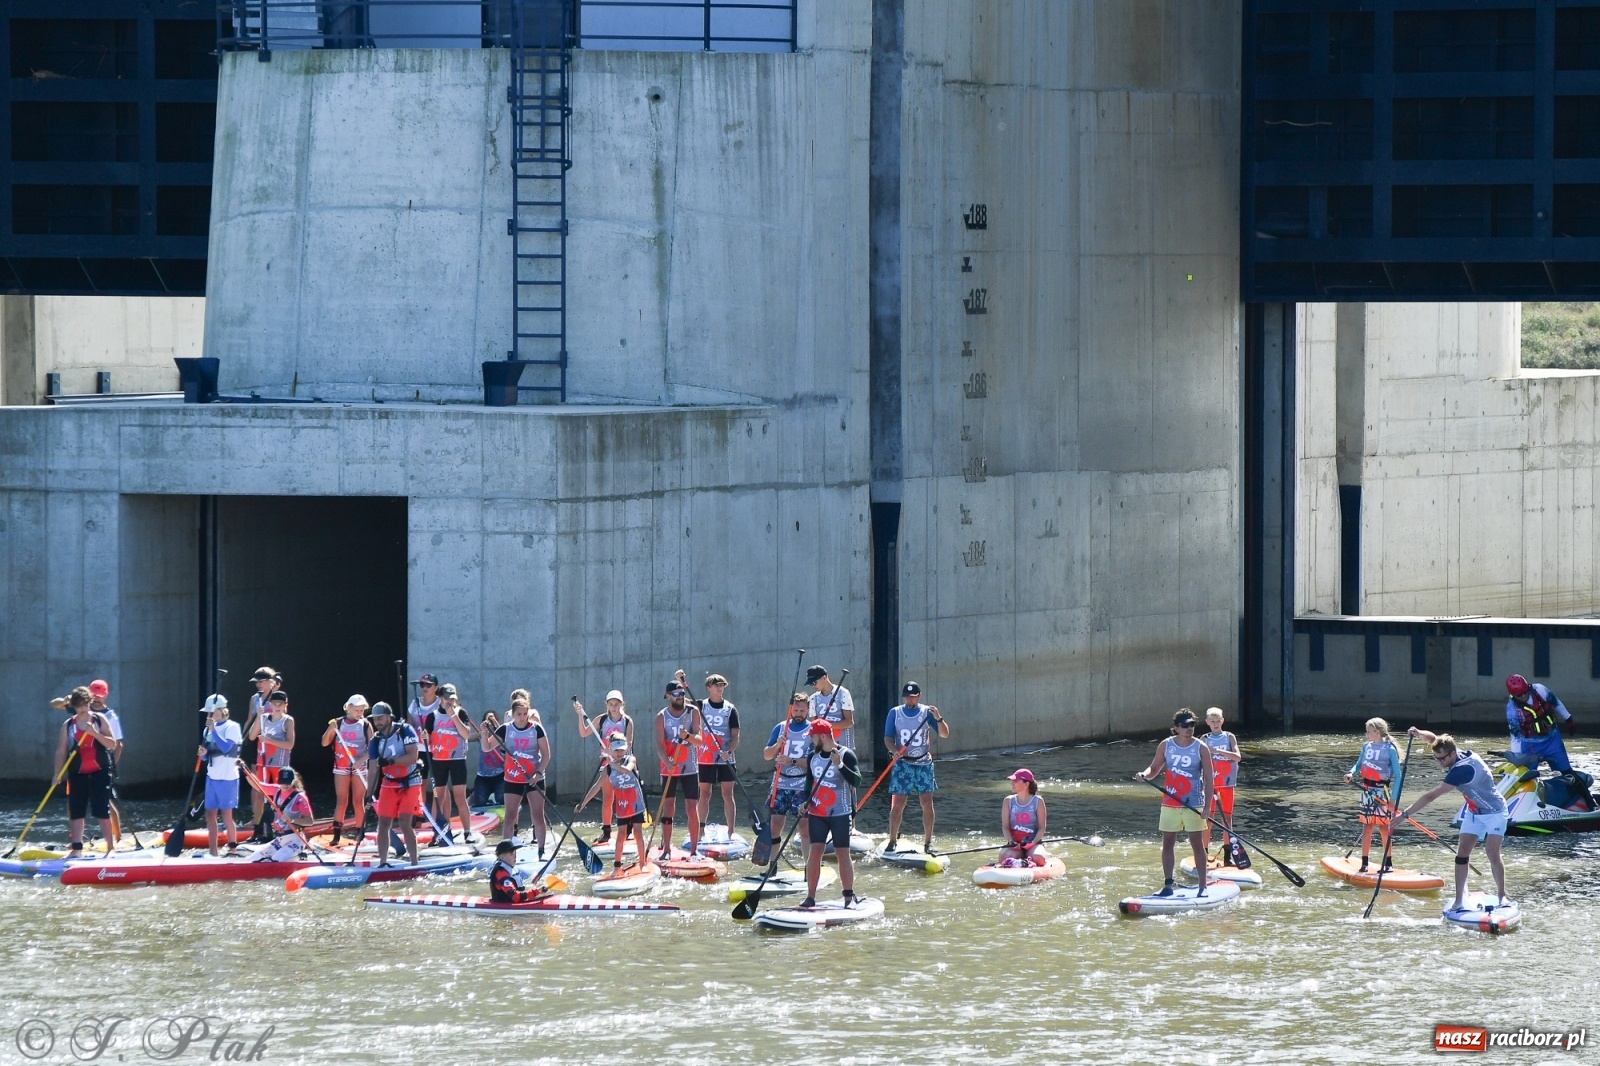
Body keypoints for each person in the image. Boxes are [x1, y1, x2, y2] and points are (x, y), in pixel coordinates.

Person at [1397, 729, 1511, 911]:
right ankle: (1459, 900)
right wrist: (1419, 734)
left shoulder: (1461, 770)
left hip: (1495, 812)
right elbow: (1434, 739)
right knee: (1462, 855)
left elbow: (1431, 796)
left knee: (1492, 853)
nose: (1440, 762)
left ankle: (1502, 895)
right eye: (1436, 759)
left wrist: (1404, 815)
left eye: (1442, 759)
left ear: (1452, 754)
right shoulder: (1454, 752)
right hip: (1474, 812)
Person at [1133, 708, 1214, 896]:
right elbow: (1153, 769)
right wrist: (1143, 775)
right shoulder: (1166, 745)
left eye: (1192, 725)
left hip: (1193, 803)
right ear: (1176, 728)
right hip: (1170, 802)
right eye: (1185, 725)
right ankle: (1168, 884)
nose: (1190, 728)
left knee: (1197, 845)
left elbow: (1210, 779)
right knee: (1168, 843)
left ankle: (1203, 886)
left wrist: (1207, 806)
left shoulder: (1201, 747)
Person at [801, 719, 862, 908]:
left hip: (840, 813)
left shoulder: (846, 754)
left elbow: (857, 781)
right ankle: (810, 897)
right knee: (815, 852)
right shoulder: (812, 757)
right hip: (817, 812)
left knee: (842, 853)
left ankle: (848, 896)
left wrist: (840, 765)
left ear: (823, 736)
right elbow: (808, 783)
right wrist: (804, 802)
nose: (810, 739)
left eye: (812, 736)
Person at [884, 682, 949, 854]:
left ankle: (928, 843)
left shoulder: (927, 713)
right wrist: (894, 751)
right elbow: (888, 738)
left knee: (927, 804)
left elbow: (944, 734)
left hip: (923, 764)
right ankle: (892, 841)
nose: (909, 700)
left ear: (919, 696)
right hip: (903, 764)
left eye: (913, 697)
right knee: (898, 804)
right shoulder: (895, 713)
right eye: (907, 696)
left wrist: (938, 718)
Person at [52, 687, 118, 856]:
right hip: (77, 773)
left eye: (85, 704)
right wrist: (57, 774)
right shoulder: (68, 726)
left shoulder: (99, 719)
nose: (83, 708)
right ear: (73, 706)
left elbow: (112, 744)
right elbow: (61, 751)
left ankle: (110, 848)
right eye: (79, 705)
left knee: (101, 810)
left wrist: (94, 733)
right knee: (77, 810)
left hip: (100, 771)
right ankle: (77, 849)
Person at [482, 699, 551, 856]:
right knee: (510, 816)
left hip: (534, 778)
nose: (522, 717)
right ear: (512, 714)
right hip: (513, 778)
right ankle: (505, 852)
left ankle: (541, 850)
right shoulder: (505, 729)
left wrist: (538, 773)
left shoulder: (537, 729)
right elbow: (486, 747)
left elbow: (546, 755)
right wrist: (484, 732)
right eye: (519, 714)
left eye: (525, 714)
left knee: (537, 815)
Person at [1341, 717, 1404, 874]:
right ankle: (1364, 863)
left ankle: (1388, 864)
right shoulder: (1366, 746)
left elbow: (1398, 776)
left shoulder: (1389, 749)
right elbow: (1359, 763)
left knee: (1384, 828)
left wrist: (1393, 800)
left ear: (1377, 732)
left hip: (1383, 792)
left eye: (1368, 731)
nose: (1366, 733)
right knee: (1367, 827)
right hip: (1367, 791)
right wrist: (1351, 773)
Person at [579, 734, 649, 871]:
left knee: (637, 833)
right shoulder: (608, 769)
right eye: (616, 750)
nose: (619, 753)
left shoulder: (631, 759)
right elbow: (597, 787)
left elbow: (626, 770)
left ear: (626, 749)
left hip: (635, 803)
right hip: (622, 806)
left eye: (621, 750)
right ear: (610, 750)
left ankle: (642, 864)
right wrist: (583, 803)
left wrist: (610, 762)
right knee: (621, 834)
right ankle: (617, 867)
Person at [364, 701, 422, 867]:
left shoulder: (405, 730)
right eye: (375, 720)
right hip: (389, 783)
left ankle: (414, 862)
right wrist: (369, 795)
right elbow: (373, 769)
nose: (377, 723)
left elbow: (412, 756)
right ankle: (383, 862)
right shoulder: (375, 740)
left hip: (409, 781)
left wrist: (390, 761)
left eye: (380, 718)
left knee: (404, 822)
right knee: (383, 823)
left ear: (389, 717)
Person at [760, 694, 814, 865]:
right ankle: (772, 866)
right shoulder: (781, 727)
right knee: (775, 826)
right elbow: (767, 756)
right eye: (796, 710)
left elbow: (815, 762)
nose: (798, 713)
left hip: (801, 784)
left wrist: (791, 761)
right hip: (781, 782)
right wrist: (777, 745)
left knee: (804, 828)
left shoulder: (812, 730)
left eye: (802, 710)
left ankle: (808, 867)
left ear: (808, 711)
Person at [573, 690, 633, 843]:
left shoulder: (627, 721)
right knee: (608, 797)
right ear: (607, 704)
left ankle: (628, 829)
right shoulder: (602, 719)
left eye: (617, 704)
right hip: (606, 762)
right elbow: (584, 732)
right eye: (611, 704)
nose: (614, 707)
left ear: (621, 704)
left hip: (623, 761)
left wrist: (616, 752)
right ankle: (606, 831)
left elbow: (629, 744)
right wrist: (580, 715)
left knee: (625, 797)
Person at [422, 683, 477, 846]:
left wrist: (452, 715)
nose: (450, 702)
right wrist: (425, 738)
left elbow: (466, 734)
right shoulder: (432, 716)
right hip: (439, 761)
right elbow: (428, 740)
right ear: (440, 698)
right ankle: (439, 832)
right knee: (438, 798)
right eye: (447, 699)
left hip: (457, 760)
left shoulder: (460, 712)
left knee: (459, 797)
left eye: (452, 699)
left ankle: (467, 832)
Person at [655, 680, 704, 859]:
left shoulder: (692, 712)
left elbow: (699, 740)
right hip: (669, 768)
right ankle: (667, 848)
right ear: (668, 696)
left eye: (682, 693)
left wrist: (688, 736)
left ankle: (694, 850)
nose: (680, 697)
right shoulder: (662, 717)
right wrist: (666, 762)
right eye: (676, 694)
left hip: (690, 767)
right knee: (669, 808)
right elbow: (659, 746)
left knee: (692, 808)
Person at [321, 694, 373, 845]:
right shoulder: (338, 723)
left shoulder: (365, 725)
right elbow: (324, 743)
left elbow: (372, 748)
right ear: (348, 709)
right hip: (341, 766)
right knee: (342, 801)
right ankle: (336, 836)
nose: (359, 713)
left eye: (362, 710)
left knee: (358, 801)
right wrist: (331, 729)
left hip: (359, 767)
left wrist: (361, 760)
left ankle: (360, 835)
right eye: (357, 710)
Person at [197, 693, 244, 857]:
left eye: (211, 712)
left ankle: (232, 849)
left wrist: (213, 731)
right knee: (210, 813)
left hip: (228, 778)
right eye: (208, 713)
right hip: (212, 777)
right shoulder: (207, 730)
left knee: (226, 814)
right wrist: (202, 754)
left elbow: (226, 749)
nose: (209, 715)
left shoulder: (232, 727)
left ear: (221, 710)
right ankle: (213, 852)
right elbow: (206, 755)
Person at [695, 672, 741, 833]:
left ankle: (731, 830)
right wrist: (680, 681)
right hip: (705, 757)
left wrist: (729, 751)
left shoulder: (730, 709)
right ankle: (700, 829)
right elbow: (682, 701)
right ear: (709, 688)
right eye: (716, 685)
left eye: (722, 685)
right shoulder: (700, 706)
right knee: (705, 794)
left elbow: (735, 736)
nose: (720, 688)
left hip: (725, 757)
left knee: (728, 794)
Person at [1503, 674, 1575, 776]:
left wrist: (1568, 719)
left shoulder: (1540, 690)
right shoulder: (1512, 710)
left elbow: (1556, 703)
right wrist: (1517, 757)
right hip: (1529, 745)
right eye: (1519, 695)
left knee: (1567, 772)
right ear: (1513, 695)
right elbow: (1515, 736)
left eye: (1525, 692)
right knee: (1525, 776)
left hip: (1552, 739)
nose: (1523, 696)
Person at [247, 689, 295, 833]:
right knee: (260, 794)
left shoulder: (288, 720)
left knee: (279, 795)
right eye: (275, 703)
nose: (278, 706)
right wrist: (258, 717)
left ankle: (279, 826)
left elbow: (289, 744)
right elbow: (251, 736)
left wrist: (269, 740)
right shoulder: (264, 718)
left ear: (285, 705)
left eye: (281, 703)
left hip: (280, 765)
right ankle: (258, 827)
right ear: (270, 704)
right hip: (264, 763)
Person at [1201, 706, 1243, 863]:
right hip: (1211, 784)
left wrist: (1218, 751)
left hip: (1227, 783)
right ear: (1207, 722)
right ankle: (1203, 853)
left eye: (1218, 721)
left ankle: (1228, 855)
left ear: (1222, 721)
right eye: (1212, 721)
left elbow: (1237, 757)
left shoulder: (1229, 737)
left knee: (1227, 819)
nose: (1216, 724)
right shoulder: (1204, 739)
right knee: (1208, 818)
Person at [251, 766, 315, 862]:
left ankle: (298, 857)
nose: (285, 785)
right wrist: (243, 768)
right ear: (278, 780)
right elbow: (257, 785)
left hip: (296, 839)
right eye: (283, 782)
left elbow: (310, 821)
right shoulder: (276, 790)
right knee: (254, 857)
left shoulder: (300, 798)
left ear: (293, 780)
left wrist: (292, 820)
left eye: (288, 782)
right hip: (280, 839)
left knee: (277, 859)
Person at [999, 768, 1046, 864]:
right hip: (1014, 844)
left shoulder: (1038, 801)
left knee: (1038, 858)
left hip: (1034, 843)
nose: (1012, 783)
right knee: (1008, 857)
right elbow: (1005, 827)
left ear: (1026, 784)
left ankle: (1037, 855)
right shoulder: (1008, 801)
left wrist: (1032, 843)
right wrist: (1011, 842)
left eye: (1015, 781)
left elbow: (1042, 828)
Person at [807, 665, 855, 750]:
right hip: (823, 746)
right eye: (811, 684)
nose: (813, 686)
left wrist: (827, 726)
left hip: (842, 745)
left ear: (824, 678)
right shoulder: (813, 698)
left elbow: (849, 722)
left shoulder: (843, 693)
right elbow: (814, 725)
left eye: (814, 682)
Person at [489, 839, 548, 904]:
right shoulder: (501, 872)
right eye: (511, 854)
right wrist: (535, 892)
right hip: (504, 904)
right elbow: (515, 897)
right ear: (501, 857)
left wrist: (538, 890)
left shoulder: (510, 868)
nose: (515, 856)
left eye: (515, 853)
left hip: (513, 901)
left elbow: (520, 890)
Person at [471, 711, 505, 807]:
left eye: (491, 718)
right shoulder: (480, 735)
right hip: (483, 776)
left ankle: (494, 796)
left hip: (499, 775)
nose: (489, 722)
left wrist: (494, 722)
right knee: (480, 801)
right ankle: (476, 795)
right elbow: (466, 737)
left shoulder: (501, 735)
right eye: (487, 719)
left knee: (501, 799)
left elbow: (504, 734)